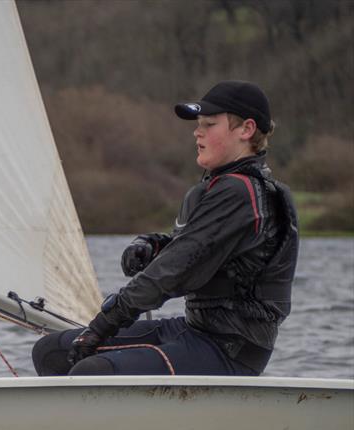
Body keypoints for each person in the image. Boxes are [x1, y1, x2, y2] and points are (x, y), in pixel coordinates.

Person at [32, 80, 299, 377]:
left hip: (230, 349)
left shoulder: (241, 193)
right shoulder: (220, 186)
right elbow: (188, 248)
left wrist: (104, 324)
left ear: (246, 130)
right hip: (195, 330)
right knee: (52, 351)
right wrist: (151, 246)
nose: (198, 132)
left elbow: (173, 270)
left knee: (92, 371)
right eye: (198, 124)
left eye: (210, 124)